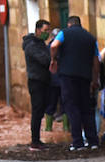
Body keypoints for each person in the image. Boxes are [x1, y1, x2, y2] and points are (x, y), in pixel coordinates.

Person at [49, 15, 99, 151]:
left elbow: (54, 45)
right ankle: (93, 140)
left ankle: (77, 142)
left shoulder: (63, 33)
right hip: (85, 76)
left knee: (72, 107)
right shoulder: (90, 38)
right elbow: (96, 61)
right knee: (86, 108)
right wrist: (95, 80)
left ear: (69, 24)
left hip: (68, 76)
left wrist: (53, 60)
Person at [21, 19, 53, 149]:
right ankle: (35, 140)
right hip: (36, 81)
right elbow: (44, 60)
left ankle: (37, 139)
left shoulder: (40, 44)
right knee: (37, 111)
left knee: (41, 110)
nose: (47, 33)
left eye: (48, 31)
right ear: (38, 30)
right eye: (45, 31)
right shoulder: (32, 45)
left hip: (44, 80)